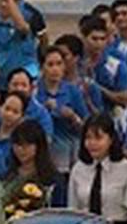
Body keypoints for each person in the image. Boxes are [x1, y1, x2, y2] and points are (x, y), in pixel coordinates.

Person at [37, 45, 90, 184]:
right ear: (42, 67)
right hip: (42, 153)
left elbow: (86, 125)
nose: (55, 69)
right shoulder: (35, 91)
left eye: (59, 64)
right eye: (50, 64)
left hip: (68, 151)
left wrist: (73, 117)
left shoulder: (73, 91)